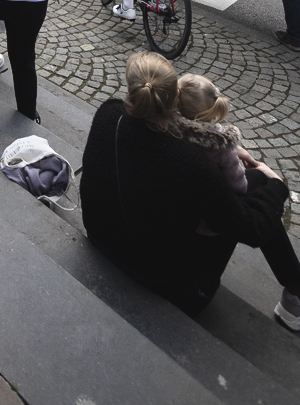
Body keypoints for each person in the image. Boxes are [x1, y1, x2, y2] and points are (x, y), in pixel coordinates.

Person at [80, 51, 299, 321]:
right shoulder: (192, 165)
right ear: (176, 99)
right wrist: (277, 185)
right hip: (174, 286)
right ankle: (296, 294)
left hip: (103, 239)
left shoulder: (109, 114)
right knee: (259, 182)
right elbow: (251, 230)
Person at [175, 75, 247, 193]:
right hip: (211, 193)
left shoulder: (171, 128)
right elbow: (238, 185)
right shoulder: (222, 147)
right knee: (259, 175)